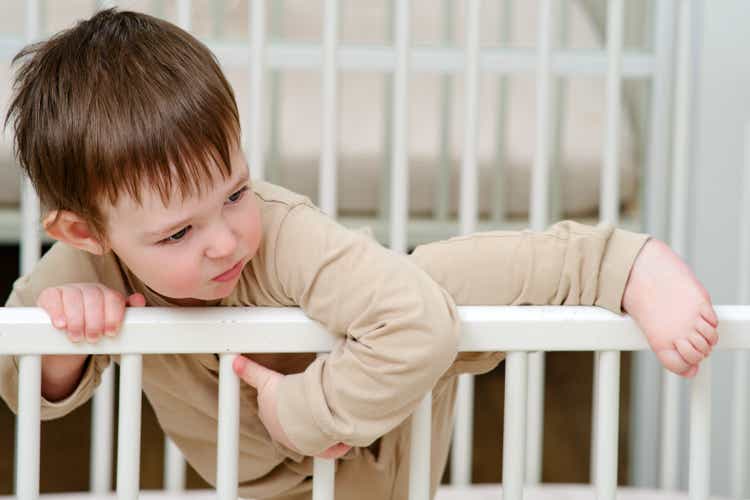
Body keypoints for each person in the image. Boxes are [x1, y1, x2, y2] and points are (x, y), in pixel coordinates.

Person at [0, 9, 718, 499]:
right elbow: (21, 385)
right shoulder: (82, 265)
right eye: (178, 234)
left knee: (430, 286)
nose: (224, 239)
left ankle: (613, 263)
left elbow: (419, 328)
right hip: (267, 487)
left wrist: (304, 410)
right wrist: (68, 337)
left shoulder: (278, 233)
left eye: (235, 191)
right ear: (84, 232)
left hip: (378, 450)